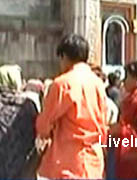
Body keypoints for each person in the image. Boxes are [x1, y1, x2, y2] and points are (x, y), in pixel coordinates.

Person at [36, 34, 108, 179]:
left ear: (64, 56)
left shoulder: (62, 84)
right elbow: (103, 123)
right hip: (93, 160)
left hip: (68, 162)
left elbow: (44, 125)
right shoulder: (98, 84)